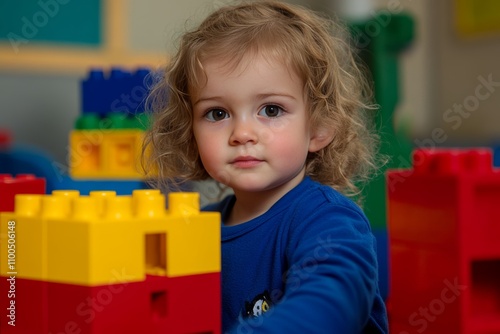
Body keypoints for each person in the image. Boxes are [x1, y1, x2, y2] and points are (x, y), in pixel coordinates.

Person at [143, 1, 388, 332]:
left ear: (319, 127)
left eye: (271, 110)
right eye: (217, 113)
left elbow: (329, 304)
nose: (242, 134)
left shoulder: (328, 220)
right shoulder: (198, 227)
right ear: (190, 132)